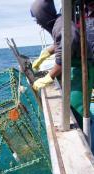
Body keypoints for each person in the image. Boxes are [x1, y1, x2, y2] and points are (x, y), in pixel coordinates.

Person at [30, 0, 94, 133]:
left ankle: (84, 133)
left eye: (37, 17)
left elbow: (64, 56)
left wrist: (49, 77)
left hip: (81, 68)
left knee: (77, 106)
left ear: (44, 15)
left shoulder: (61, 26)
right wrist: (46, 53)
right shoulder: (59, 22)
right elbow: (62, 42)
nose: (37, 22)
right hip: (75, 65)